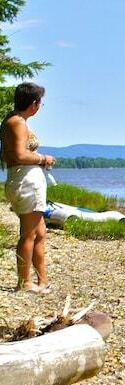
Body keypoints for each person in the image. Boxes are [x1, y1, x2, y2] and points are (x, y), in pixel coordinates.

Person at [1, 82, 56, 293]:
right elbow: (19, 155)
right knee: (29, 234)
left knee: (40, 233)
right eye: (40, 102)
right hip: (25, 182)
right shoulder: (17, 122)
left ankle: (42, 281)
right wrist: (44, 158)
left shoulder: (18, 120)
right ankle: (24, 282)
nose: (40, 106)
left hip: (28, 181)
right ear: (33, 103)